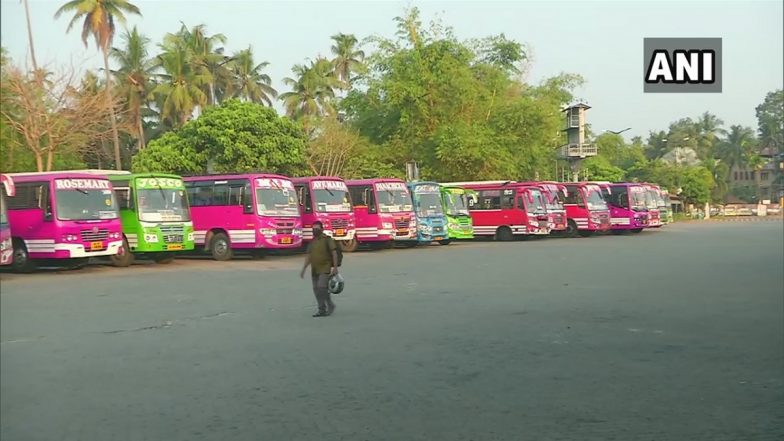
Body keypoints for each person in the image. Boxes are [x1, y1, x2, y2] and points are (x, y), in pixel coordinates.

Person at [300, 220, 338, 317]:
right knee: (316, 290)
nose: (314, 230)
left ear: (322, 229)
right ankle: (321, 309)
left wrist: (335, 267)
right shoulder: (312, 242)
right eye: (313, 229)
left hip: (325, 267)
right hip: (315, 269)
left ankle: (329, 304)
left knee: (322, 287)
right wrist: (304, 269)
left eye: (317, 228)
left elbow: (334, 253)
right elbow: (309, 256)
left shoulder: (327, 239)